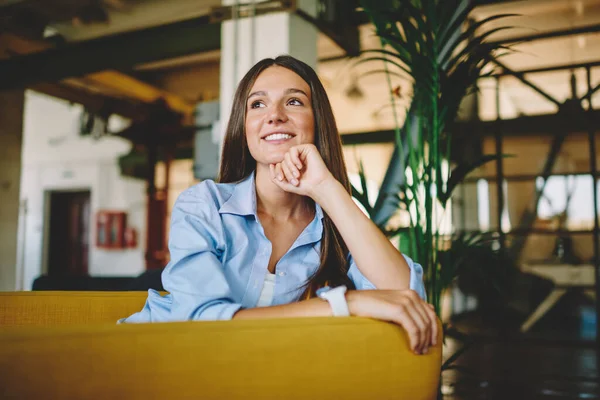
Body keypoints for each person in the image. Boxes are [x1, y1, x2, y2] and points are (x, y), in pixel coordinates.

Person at [120, 55, 438, 355]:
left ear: (317, 122)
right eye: (257, 104)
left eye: (294, 101)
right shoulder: (203, 204)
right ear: (243, 128)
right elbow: (204, 323)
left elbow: (404, 295)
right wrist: (346, 304)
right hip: (151, 359)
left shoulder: (337, 219)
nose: (274, 115)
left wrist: (328, 189)